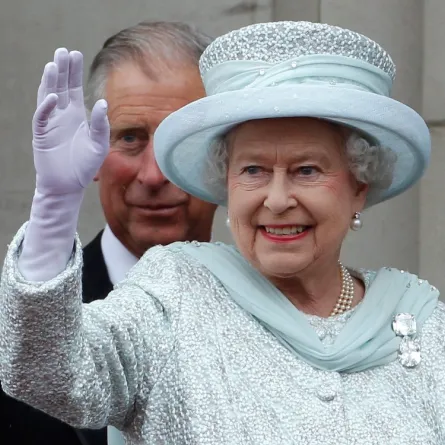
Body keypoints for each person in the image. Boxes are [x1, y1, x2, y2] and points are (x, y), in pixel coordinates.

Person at [0, 20, 442, 444]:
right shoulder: (172, 294)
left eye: (307, 170)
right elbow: (51, 373)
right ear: (225, 183)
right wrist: (55, 205)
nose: (276, 199)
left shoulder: (421, 322)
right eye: (253, 170)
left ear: (359, 186)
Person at [0, 21, 217, 445]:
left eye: (178, 142)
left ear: (225, 159)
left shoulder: (273, 309)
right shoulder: (19, 328)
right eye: (130, 138)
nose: (154, 175)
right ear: (93, 155)